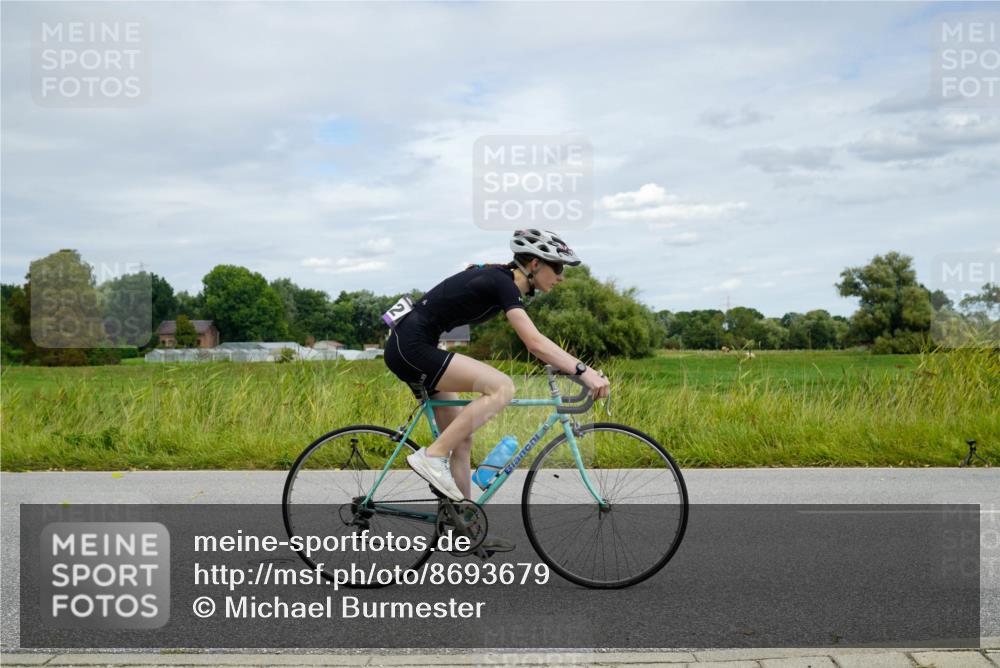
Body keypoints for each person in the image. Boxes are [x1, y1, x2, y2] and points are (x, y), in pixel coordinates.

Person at [383, 229, 611, 550]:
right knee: (502, 387)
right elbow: (534, 342)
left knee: (461, 439)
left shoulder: (501, 280)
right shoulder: (503, 282)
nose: (561, 277)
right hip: (412, 346)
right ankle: (431, 457)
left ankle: (464, 528)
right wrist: (583, 371)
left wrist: (570, 366)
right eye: (558, 267)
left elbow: (537, 342)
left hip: (414, 344)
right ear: (535, 264)